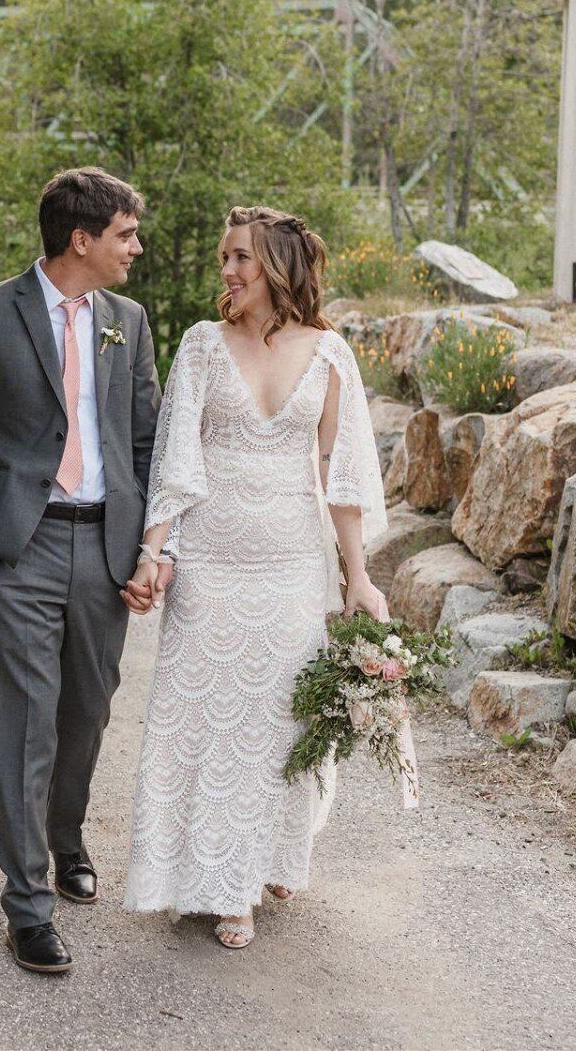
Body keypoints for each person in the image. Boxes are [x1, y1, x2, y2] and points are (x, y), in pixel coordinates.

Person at [121, 204, 389, 949]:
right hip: (211, 565)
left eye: (240, 257)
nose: (228, 271)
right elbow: (177, 460)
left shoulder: (330, 354)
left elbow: (341, 477)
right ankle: (223, 887)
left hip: (292, 567)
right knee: (207, 722)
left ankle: (266, 859)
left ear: (276, 267)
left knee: (278, 720)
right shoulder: (202, 345)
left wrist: (358, 578)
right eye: (225, 258)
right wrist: (154, 553)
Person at [0, 167, 169, 975]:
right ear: (81, 238)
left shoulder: (128, 322)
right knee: (25, 722)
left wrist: (149, 549)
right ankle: (28, 905)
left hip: (106, 547)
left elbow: (146, 444)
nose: (137, 247)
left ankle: (66, 838)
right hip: (18, 550)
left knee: (87, 712)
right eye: (126, 234)